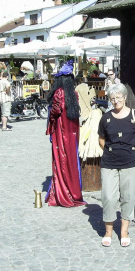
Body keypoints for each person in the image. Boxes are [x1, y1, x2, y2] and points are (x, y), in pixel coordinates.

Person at [98, 83, 135, 247]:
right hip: (109, 163)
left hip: (131, 164)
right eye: (112, 98)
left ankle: (124, 232)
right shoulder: (106, 118)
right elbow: (101, 140)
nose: (115, 101)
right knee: (108, 197)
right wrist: (112, 152)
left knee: (128, 197)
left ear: (125, 98)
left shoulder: (134, 115)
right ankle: (108, 232)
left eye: (118, 97)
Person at [45, 60, 85, 208]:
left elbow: (55, 112)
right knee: (72, 161)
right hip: (72, 134)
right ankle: (74, 191)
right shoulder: (73, 94)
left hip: (61, 135)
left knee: (61, 161)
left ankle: (63, 193)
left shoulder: (59, 93)